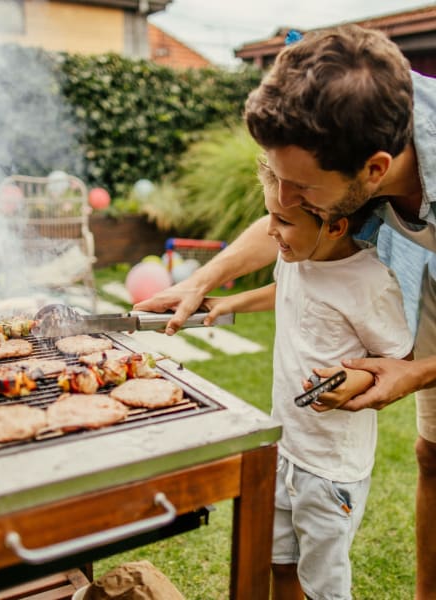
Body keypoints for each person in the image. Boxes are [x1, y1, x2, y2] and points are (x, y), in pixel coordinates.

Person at [134, 24, 436, 598]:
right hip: (412, 254)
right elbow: (288, 221)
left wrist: (416, 371)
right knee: (433, 456)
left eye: (302, 188)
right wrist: (203, 279)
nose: (284, 202)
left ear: (374, 171)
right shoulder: (351, 125)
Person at [202, 163, 413, 599]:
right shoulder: (296, 258)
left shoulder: (370, 282)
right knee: (280, 564)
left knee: (323, 587)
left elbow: (398, 358)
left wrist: (354, 381)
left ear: (334, 225)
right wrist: (231, 301)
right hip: (285, 447)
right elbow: (286, 291)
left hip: (330, 468)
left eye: (282, 221)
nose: (271, 232)